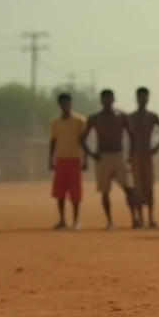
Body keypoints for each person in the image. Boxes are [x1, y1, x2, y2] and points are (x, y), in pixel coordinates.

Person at [81, 89, 139, 230]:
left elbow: (132, 136)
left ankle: (135, 219)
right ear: (101, 101)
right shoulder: (95, 118)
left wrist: (130, 156)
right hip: (102, 157)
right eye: (104, 99)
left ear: (114, 100)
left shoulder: (121, 116)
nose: (107, 102)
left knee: (129, 189)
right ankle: (110, 222)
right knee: (105, 191)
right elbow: (82, 139)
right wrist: (91, 154)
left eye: (109, 99)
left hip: (118, 156)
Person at [128, 87, 159, 228]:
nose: (143, 100)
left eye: (145, 97)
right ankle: (140, 218)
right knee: (137, 187)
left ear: (148, 99)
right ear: (136, 98)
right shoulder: (130, 117)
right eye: (140, 97)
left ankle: (151, 217)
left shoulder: (152, 116)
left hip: (147, 155)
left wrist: (156, 148)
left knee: (149, 187)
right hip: (135, 155)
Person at [48, 92, 88, 230]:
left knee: (75, 193)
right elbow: (53, 141)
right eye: (62, 103)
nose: (65, 105)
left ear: (71, 103)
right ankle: (62, 220)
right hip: (61, 160)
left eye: (67, 103)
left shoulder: (79, 120)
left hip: (75, 160)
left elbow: (84, 141)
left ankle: (76, 221)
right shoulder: (55, 122)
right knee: (59, 193)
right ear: (59, 104)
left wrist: (85, 159)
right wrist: (50, 159)